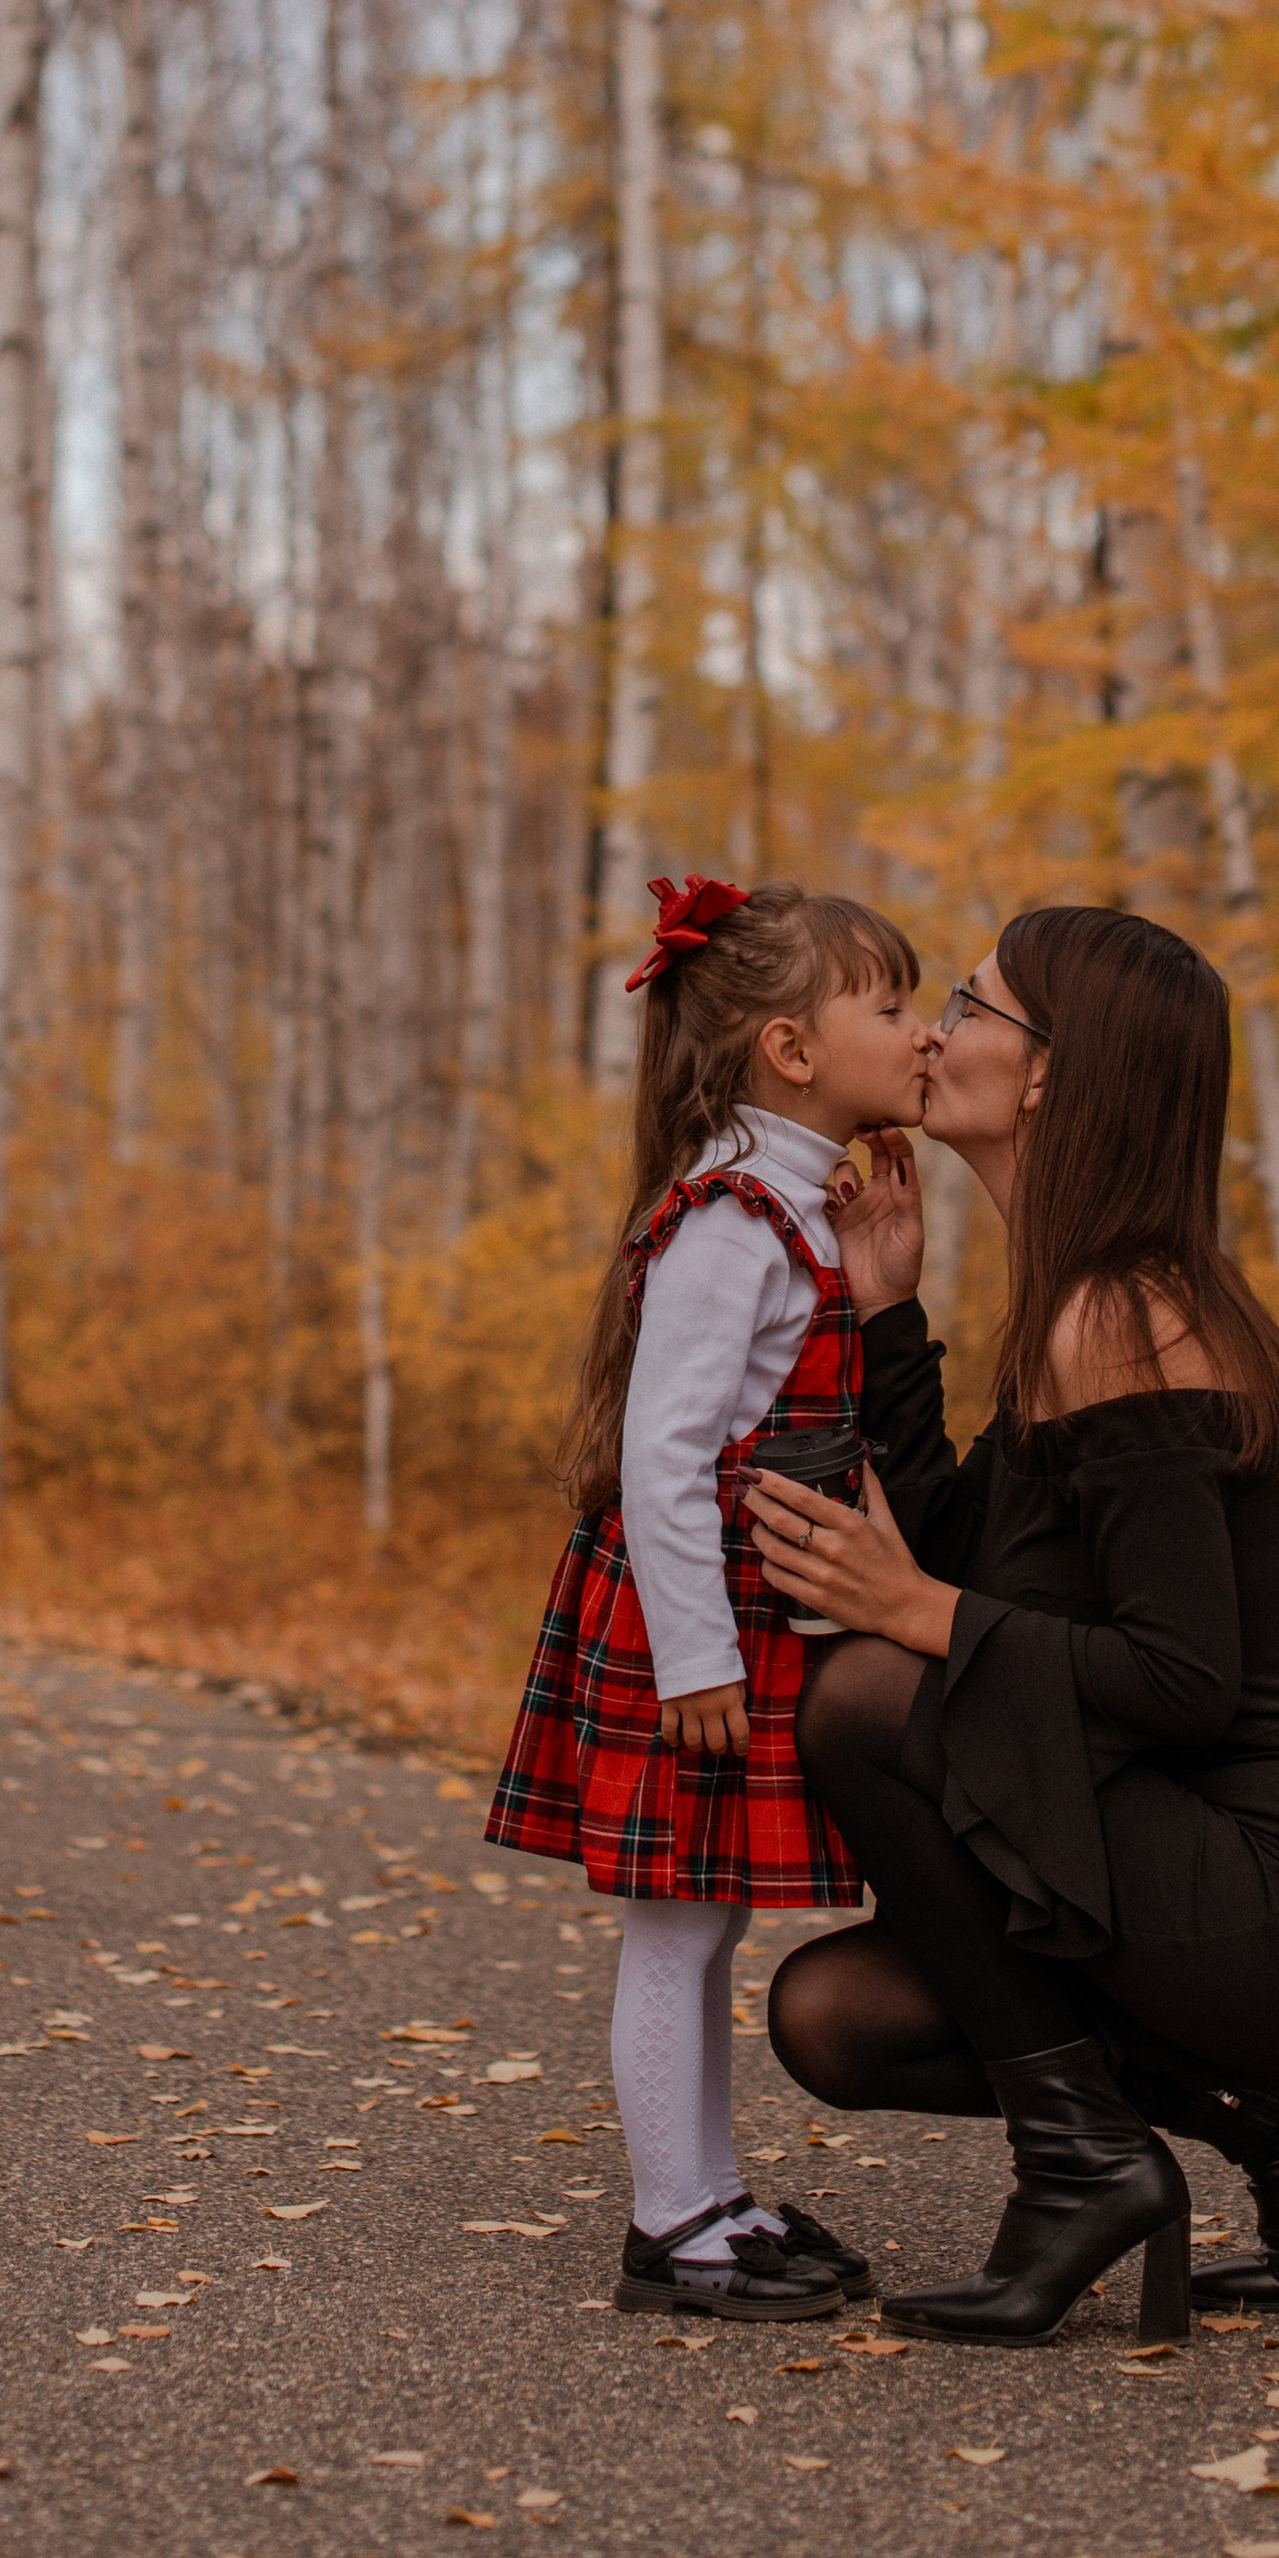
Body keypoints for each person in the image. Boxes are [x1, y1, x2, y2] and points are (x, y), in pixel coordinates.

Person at [743, 902, 1279, 2348]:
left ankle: (1086, 2171)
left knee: (865, 1696)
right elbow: (971, 1565)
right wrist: (890, 1316)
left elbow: (1183, 1683)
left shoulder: (1129, 1318)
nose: (933, 1033)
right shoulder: (1078, 1299)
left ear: (1049, 1070)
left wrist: (911, 1608)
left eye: (968, 1004)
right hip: (1188, 1852)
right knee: (836, 2015)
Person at [484, 873, 930, 2322]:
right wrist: (694, 1660)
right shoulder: (732, 1219)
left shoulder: (793, 1204)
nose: (921, 1033)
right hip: (697, 1625)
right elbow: (663, 1455)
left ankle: (714, 2196)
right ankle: (672, 2223)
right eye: (891, 1007)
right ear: (790, 1050)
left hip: (741, 1616)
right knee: (676, 1928)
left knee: (708, 1921)